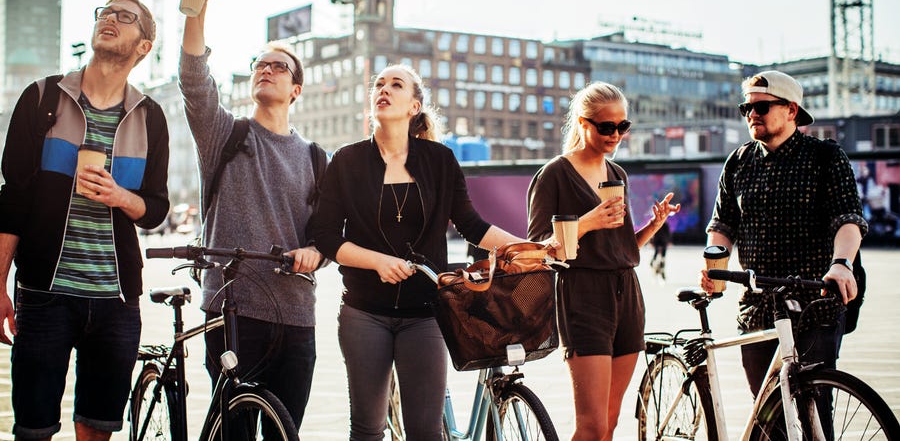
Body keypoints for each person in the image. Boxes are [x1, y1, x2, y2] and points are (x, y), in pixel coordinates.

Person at [308, 64, 542, 441]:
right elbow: (326, 236)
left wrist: (529, 248)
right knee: (368, 430)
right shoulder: (347, 161)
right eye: (378, 85)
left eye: (395, 85)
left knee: (426, 431)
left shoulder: (440, 160)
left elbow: (472, 225)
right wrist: (377, 262)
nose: (383, 89)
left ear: (414, 106)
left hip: (425, 314)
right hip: (363, 314)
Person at [0, 0, 169, 440]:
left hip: (116, 301)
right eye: (106, 12)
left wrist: (121, 197)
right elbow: (12, 199)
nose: (110, 19)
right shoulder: (41, 99)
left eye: (125, 16)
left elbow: (155, 208)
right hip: (43, 295)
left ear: (144, 45)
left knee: (97, 429)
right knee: (33, 430)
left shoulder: (150, 117)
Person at [172, 0, 324, 431]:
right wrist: (196, 8)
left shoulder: (318, 158)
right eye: (261, 63)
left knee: (286, 430)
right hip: (232, 310)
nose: (268, 69)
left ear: (296, 89)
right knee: (232, 431)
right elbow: (195, 81)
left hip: (297, 317)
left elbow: (329, 236)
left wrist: (316, 253)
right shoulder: (226, 134)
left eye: (280, 66)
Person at [527, 81, 680, 441]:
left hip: (627, 293)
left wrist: (652, 226)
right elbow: (536, 248)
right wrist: (588, 221)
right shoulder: (555, 175)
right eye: (606, 126)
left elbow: (623, 247)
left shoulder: (617, 175)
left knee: (610, 423)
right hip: (582, 295)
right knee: (591, 425)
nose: (615, 134)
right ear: (583, 123)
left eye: (622, 126)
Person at [701, 70, 867, 398]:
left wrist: (841, 263)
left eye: (761, 108)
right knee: (767, 416)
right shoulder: (738, 162)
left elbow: (848, 220)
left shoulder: (826, 157)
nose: (752, 115)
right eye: (746, 109)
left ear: (791, 111)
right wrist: (713, 265)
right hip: (756, 308)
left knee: (813, 410)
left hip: (813, 306)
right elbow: (722, 226)